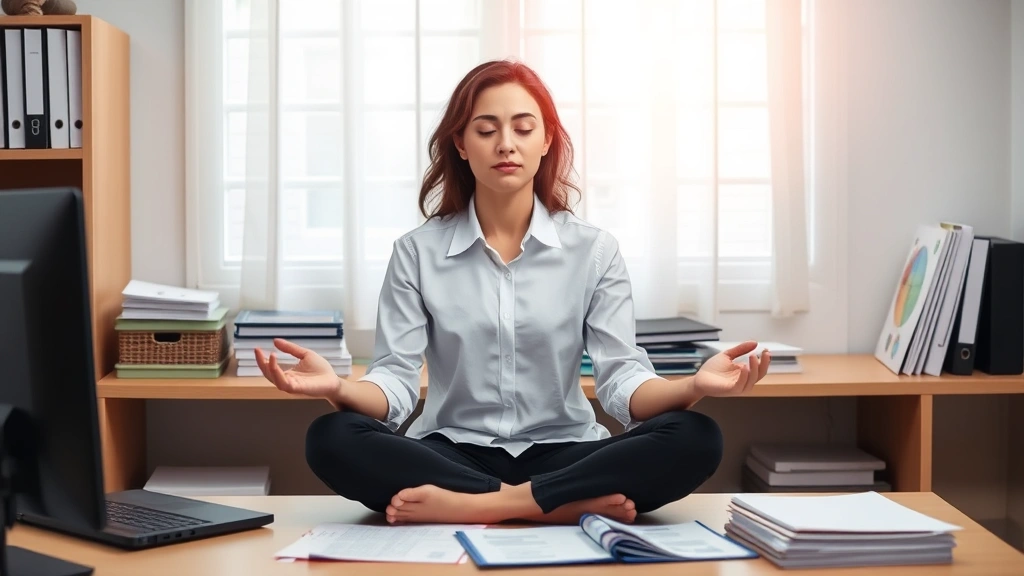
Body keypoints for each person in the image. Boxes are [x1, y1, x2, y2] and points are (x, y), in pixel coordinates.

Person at [254, 59, 771, 526]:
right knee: (331, 437)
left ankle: (482, 507)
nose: (506, 143)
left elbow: (623, 381)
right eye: (486, 129)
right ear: (461, 144)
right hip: (452, 452)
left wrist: (694, 386)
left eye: (524, 128)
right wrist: (336, 388)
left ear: (546, 140)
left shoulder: (593, 250)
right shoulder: (417, 252)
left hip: (567, 450)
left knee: (697, 436)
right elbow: (394, 382)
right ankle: (558, 507)